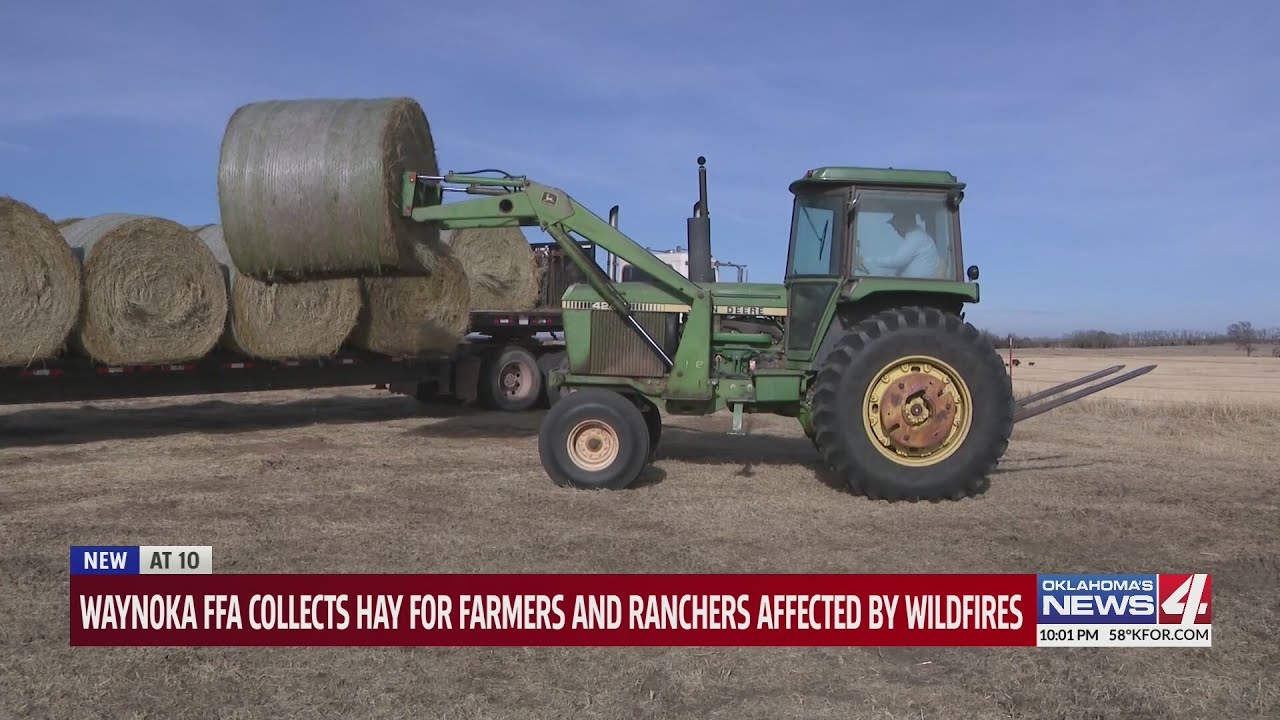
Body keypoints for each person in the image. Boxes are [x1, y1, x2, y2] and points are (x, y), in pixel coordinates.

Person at [857, 209, 942, 278]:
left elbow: (897, 261)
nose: (894, 228)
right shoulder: (916, 237)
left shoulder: (916, 237)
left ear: (903, 221)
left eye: (895, 224)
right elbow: (897, 267)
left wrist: (866, 260)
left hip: (917, 286)